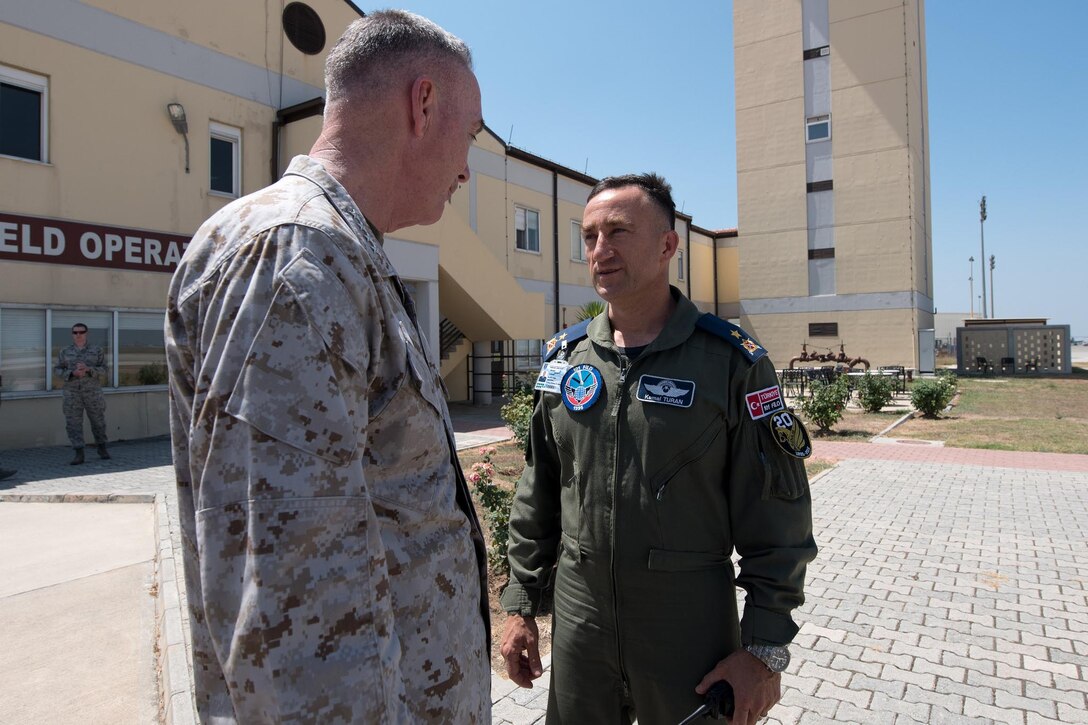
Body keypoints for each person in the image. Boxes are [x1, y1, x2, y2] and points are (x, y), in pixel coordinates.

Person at [165, 11, 490, 723]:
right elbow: (291, 611)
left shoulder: (338, 251)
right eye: (468, 135)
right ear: (423, 102)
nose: (467, 167)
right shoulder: (296, 256)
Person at [500, 173, 818, 725]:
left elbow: (779, 518)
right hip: (581, 624)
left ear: (668, 245)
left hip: (687, 628)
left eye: (618, 231)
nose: (601, 250)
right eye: (590, 235)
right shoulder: (565, 361)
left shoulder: (731, 363)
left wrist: (764, 649)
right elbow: (539, 489)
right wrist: (522, 603)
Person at [54, 323, 110, 465]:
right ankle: (79, 452)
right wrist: (71, 373)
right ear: (72, 334)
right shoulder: (65, 351)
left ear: (86, 333)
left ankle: (102, 447)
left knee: (98, 421)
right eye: (75, 332)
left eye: (81, 332)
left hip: (92, 392)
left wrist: (89, 370)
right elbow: (57, 370)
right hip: (72, 394)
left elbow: (104, 369)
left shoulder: (96, 350)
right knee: (73, 423)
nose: (78, 335)